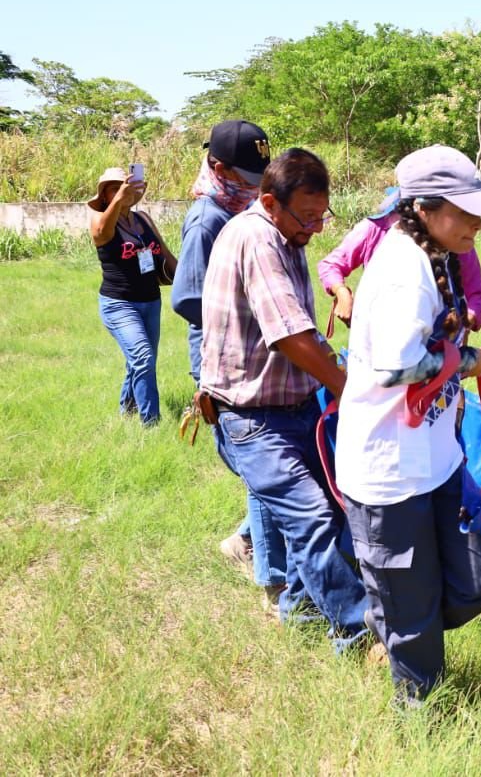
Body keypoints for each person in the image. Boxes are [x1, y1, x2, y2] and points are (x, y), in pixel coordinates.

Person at [335, 145, 481, 702]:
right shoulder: (403, 270)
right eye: (465, 211)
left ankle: (390, 623)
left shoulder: (432, 255)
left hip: (435, 459)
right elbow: (395, 364)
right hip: (389, 471)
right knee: (413, 616)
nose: (478, 224)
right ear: (425, 207)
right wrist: (469, 361)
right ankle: (419, 715)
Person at [200, 147, 368, 647]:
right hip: (252, 420)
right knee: (312, 517)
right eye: (307, 216)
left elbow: (303, 333)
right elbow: (291, 337)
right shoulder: (257, 238)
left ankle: (299, 612)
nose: (316, 228)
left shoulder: (284, 234)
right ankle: (361, 633)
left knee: (328, 512)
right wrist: (348, 387)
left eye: (323, 216)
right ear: (270, 202)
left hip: (292, 409)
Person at [170, 119, 286, 607]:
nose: (254, 190)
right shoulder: (207, 221)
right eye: (246, 178)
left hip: (258, 355)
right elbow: (191, 299)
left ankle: (243, 540)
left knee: (271, 463)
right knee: (264, 468)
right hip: (224, 362)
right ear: (218, 168)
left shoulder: (243, 213)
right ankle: (274, 580)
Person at [317, 188, 481, 331]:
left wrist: (462, 322)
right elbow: (331, 265)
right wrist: (341, 292)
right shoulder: (374, 229)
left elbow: (478, 295)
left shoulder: (455, 241)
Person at [89, 166, 178, 426]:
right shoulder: (99, 219)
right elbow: (102, 233)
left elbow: (166, 254)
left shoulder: (144, 220)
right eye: (114, 188)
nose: (121, 191)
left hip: (151, 301)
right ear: (104, 195)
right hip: (119, 303)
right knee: (143, 357)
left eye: (124, 186)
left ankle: (126, 410)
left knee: (140, 360)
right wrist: (120, 199)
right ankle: (151, 424)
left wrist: (190, 283)